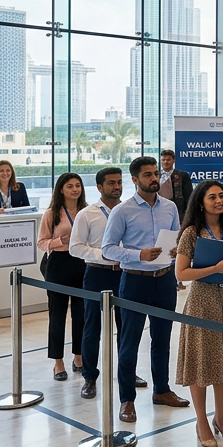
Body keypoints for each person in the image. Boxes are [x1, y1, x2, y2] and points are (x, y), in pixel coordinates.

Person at [102, 156, 189, 423]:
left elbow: (177, 237)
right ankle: (127, 399)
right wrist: (139, 254)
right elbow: (107, 249)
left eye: (155, 174)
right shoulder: (123, 211)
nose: (154, 178)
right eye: (148, 175)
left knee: (162, 340)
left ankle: (161, 390)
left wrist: (177, 250)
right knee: (130, 342)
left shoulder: (170, 207)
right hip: (135, 280)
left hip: (164, 280)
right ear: (135, 179)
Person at [175, 180, 223, 447]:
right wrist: (214, 268)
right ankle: (201, 421)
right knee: (203, 361)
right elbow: (181, 273)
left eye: (221, 196)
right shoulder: (192, 233)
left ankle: (221, 418)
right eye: (212, 197)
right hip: (202, 301)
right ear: (200, 202)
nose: (219, 201)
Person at [71, 167, 141, 400]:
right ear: (99, 187)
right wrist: (104, 255)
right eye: (111, 183)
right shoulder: (87, 214)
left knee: (127, 329)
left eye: (120, 182)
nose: (117, 187)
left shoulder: (131, 210)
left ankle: (127, 373)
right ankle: (89, 377)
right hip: (97, 273)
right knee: (92, 328)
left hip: (125, 274)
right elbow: (75, 247)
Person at [38, 172, 87, 381]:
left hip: (82, 263)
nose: (75, 189)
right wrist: (59, 241)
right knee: (57, 316)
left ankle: (79, 356)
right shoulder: (52, 213)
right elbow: (41, 242)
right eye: (70, 186)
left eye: (77, 185)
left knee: (81, 314)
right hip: (58, 263)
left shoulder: (86, 211)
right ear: (61, 189)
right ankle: (58, 362)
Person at [158, 149, 194, 219]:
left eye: (168, 160)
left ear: (174, 160)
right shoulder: (156, 175)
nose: (165, 162)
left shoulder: (182, 175)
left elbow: (188, 195)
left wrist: (188, 212)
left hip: (178, 210)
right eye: (163, 160)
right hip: (159, 209)